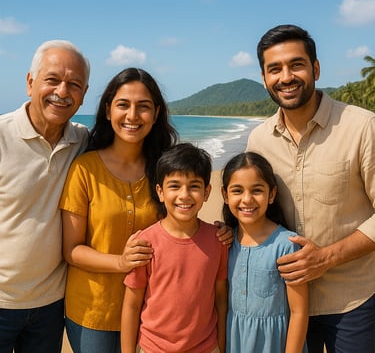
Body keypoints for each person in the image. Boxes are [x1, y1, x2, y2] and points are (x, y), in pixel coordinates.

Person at [60, 70, 232, 353]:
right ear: (107, 110)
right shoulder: (84, 169)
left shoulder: (163, 167)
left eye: (143, 106)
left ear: (156, 113)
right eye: (123, 104)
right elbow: (72, 249)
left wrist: (219, 232)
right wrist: (122, 262)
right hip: (94, 309)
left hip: (157, 316)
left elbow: (182, 223)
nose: (132, 115)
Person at [247, 24, 375, 353]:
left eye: (296, 65)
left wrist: (326, 258)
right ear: (264, 78)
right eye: (274, 69)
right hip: (282, 301)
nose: (285, 76)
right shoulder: (258, 141)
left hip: (353, 299)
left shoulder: (362, 127)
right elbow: (253, 208)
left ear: (315, 68)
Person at [0, 40, 90, 352]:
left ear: (84, 94)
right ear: (29, 82)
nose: (62, 92)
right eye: (52, 80)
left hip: (51, 306)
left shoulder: (83, 141)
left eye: (74, 84)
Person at [121, 143, 228, 353]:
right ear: (160, 192)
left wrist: (222, 346)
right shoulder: (145, 242)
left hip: (206, 347)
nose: (184, 195)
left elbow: (221, 299)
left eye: (194, 186)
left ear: (207, 192)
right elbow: (131, 305)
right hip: (153, 348)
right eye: (175, 186)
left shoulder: (218, 241)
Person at [222, 151, 308, 353]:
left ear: (272, 194)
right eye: (237, 191)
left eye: (257, 190)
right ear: (225, 195)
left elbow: (299, 311)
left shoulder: (286, 244)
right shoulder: (224, 242)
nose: (247, 199)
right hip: (235, 343)